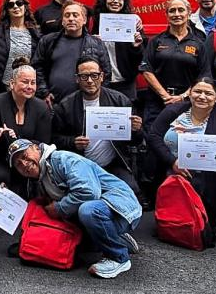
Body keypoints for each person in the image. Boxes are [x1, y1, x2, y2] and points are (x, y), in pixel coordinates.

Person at [9, 139, 142, 279]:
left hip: (122, 208)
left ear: (36, 148)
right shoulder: (37, 178)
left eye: (24, 156)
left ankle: (118, 257)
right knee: (76, 243)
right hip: (105, 211)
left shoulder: (64, 159)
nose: (24, 164)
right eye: (18, 164)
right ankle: (117, 237)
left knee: (87, 210)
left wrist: (59, 208)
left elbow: (89, 192)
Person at [148, 76, 216, 243]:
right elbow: (154, 136)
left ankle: (207, 219)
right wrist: (172, 161)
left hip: (211, 177)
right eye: (197, 91)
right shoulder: (174, 111)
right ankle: (171, 221)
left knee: (201, 230)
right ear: (189, 93)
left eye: (208, 93)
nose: (202, 96)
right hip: (173, 168)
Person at [51, 57, 146, 205]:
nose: (90, 81)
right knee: (85, 199)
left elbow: (136, 141)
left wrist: (137, 130)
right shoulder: (65, 106)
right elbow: (54, 139)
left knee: (130, 192)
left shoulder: (120, 101)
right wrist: (72, 142)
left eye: (94, 75)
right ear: (77, 79)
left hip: (113, 164)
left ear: (101, 77)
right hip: (80, 164)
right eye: (84, 76)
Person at [0, 59, 51, 196]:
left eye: (33, 82)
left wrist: (18, 142)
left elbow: (43, 144)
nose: (29, 86)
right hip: (0, 160)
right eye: (25, 82)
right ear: (12, 83)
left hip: (28, 162)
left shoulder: (41, 108)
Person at [138, 0, 211, 128]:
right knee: (154, 140)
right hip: (157, 103)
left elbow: (203, 76)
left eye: (181, 10)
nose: (177, 14)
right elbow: (146, 70)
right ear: (166, 15)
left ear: (189, 13)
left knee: (184, 141)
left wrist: (183, 97)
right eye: (172, 11)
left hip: (187, 103)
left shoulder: (199, 44)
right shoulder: (156, 41)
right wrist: (165, 96)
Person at [33, 0, 111, 105]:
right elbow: (37, 67)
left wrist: (96, 98)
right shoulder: (48, 41)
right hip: (54, 103)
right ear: (62, 21)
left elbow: (106, 73)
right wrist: (44, 93)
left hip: (85, 103)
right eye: (67, 15)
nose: (71, 19)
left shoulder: (96, 43)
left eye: (75, 15)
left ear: (84, 20)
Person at [90, 0, 145, 100]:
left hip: (125, 83)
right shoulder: (94, 22)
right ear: (104, 0)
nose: (115, 1)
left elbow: (141, 59)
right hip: (101, 83)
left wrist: (136, 47)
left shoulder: (133, 23)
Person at [0, 0, 41, 97]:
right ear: (7, 10)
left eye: (19, 3)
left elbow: (39, 63)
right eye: (11, 5)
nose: (15, 7)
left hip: (25, 88)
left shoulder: (35, 33)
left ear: (25, 6)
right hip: (0, 87)